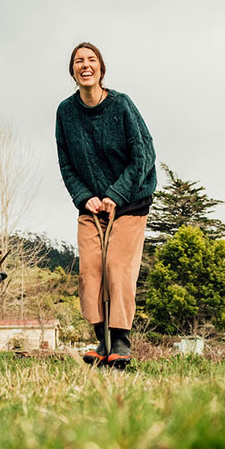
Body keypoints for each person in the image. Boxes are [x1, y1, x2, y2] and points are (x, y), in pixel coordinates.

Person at [55, 42, 156, 367]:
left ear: (101, 68)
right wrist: (87, 198)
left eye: (91, 60)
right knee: (91, 270)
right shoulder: (65, 113)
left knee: (117, 267)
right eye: (79, 61)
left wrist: (116, 194)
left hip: (129, 202)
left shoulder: (121, 105)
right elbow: (66, 165)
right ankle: (103, 341)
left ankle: (121, 343)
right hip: (91, 205)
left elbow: (144, 156)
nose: (85, 65)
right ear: (73, 71)